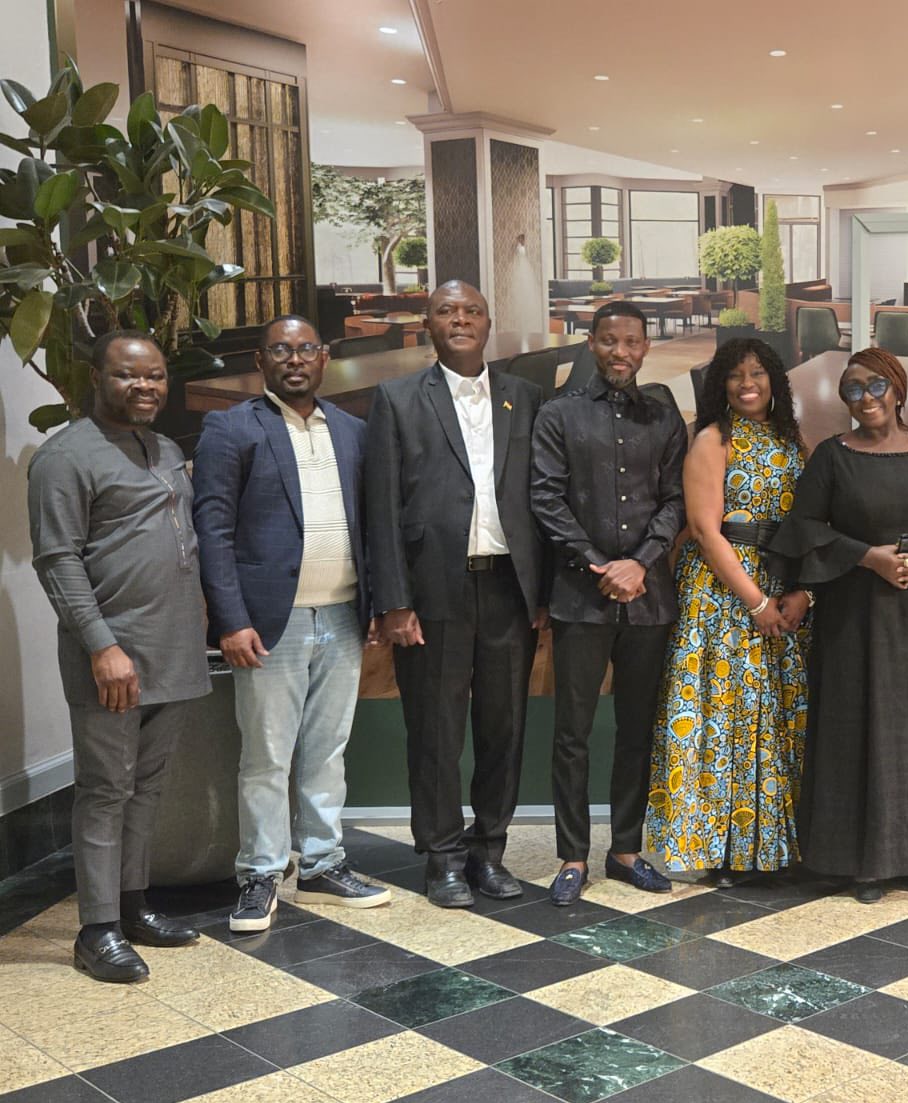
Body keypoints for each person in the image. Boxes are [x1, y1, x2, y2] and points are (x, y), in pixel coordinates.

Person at [771, 348, 908, 903]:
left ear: (897, 390)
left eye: (876, 386)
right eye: (853, 389)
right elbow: (804, 528)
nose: (865, 398)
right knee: (858, 731)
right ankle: (863, 864)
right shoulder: (833, 456)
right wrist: (870, 558)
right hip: (856, 615)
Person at [192, 315, 392, 932]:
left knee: (327, 752)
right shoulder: (231, 428)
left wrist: (376, 604)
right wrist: (230, 620)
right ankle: (260, 873)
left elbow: (371, 525)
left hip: (342, 616)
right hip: (267, 625)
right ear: (261, 360)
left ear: (324, 357)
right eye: (281, 350)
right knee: (266, 758)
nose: (296, 359)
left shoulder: (353, 431)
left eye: (307, 349)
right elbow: (213, 531)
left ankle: (322, 864)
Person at [27, 332, 209, 982]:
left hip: (173, 650)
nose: (145, 386)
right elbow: (57, 561)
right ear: (97, 379)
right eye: (129, 375)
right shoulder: (64, 457)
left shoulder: (164, 448)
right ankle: (96, 930)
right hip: (111, 656)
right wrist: (102, 647)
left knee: (146, 787)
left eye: (154, 375)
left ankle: (133, 907)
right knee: (105, 790)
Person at [366, 281, 548, 908]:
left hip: (509, 589)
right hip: (432, 591)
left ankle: (489, 851)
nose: (461, 319)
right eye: (447, 311)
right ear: (429, 325)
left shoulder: (526, 397)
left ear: (489, 323)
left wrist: (543, 590)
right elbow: (382, 505)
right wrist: (394, 600)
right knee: (436, 731)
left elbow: (543, 498)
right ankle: (442, 857)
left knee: (504, 728)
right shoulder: (396, 399)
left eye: (472, 311)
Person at [531, 300, 687, 906]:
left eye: (633, 342)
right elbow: (546, 498)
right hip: (581, 597)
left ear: (646, 348)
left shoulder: (665, 418)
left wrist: (639, 562)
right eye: (610, 341)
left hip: (649, 599)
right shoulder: (558, 414)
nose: (622, 352)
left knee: (637, 729)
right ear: (591, 343)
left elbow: (674, 500)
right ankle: (572, 856)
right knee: (571, 732)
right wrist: (599, 564)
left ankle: (625, 850)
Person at [646, 338, 810, 885]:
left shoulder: (792, 440)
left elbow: (811, 521)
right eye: (736, 375)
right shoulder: (713, 439)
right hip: (723, 593)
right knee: (725, 718)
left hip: (780, 585)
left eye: (758, 373)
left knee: (772, 720)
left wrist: (801, 593)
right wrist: (755, 601)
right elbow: (704, 530)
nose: (747, 384)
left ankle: (771, 848)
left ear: (774, 381)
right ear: (720, 384)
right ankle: (721, 849)